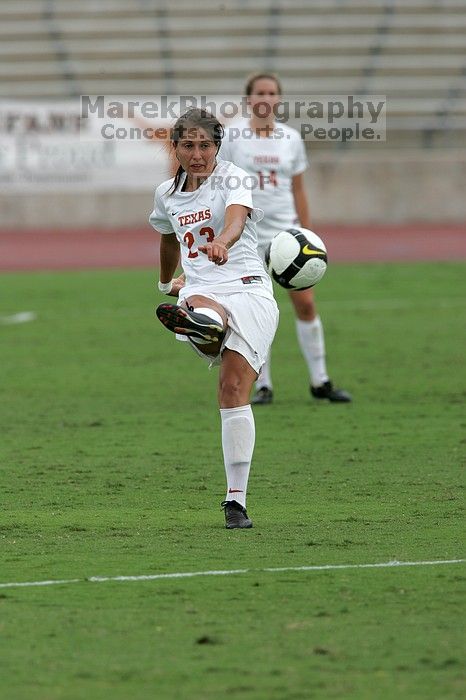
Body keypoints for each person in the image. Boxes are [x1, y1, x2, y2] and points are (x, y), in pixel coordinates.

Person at [149, 108, 279, 529]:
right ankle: (203, 322)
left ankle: (235, 501)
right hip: (201, 288)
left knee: (233, 388)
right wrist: (166, 282)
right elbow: (168, 239)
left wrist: (221, 241)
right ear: (176, 148)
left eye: (205, 145)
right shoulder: (166, 194)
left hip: (247, 286)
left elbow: (238, 220)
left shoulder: (234, 177)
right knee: (202, 307)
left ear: (217, 146)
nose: (197, 154)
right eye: (188, 145)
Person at [219, 73, 351, 405]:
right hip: (248, 238)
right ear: (248, 99)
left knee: (305, 304)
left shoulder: (290, 138)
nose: (266, 98)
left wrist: (307, 232)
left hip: (287, 239)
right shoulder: (233, 137)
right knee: (257, 312)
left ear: (279, 99)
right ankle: (263, 384)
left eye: (272, 93)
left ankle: (320, 381)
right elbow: (223, 187)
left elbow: (298, 188)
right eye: (260, 92)